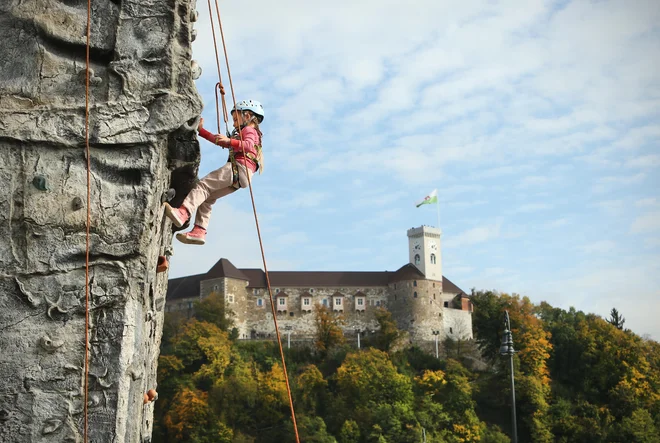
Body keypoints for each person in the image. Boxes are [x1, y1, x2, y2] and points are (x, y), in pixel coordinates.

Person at [163, 99, 264, 245]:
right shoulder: (246, 133)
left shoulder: (249, 130)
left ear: (247, 116)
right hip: (243, 176)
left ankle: (183, 212)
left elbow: (248, 146)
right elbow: (221, 141)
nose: (234, 123)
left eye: (236, 119)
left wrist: (230, 141)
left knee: (203, 186)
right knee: (208, 198)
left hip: (239, 167)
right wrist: (202, 131)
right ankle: (199, 231)